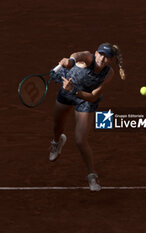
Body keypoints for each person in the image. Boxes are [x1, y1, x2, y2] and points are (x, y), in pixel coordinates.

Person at [49, 43, 126, 191]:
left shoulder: (108, 74)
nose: (102, 59)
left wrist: (75, 91)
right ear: (96, 53)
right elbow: (77, 56)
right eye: (101, 55)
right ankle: (57, 141)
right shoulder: (87, 57)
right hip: (67, 89)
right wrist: (70, 61)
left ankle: (92, 175)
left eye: (107, 58)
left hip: (84, 98)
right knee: (57, 124)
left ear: (110, 61)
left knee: (80, 139)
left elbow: (92, 96)